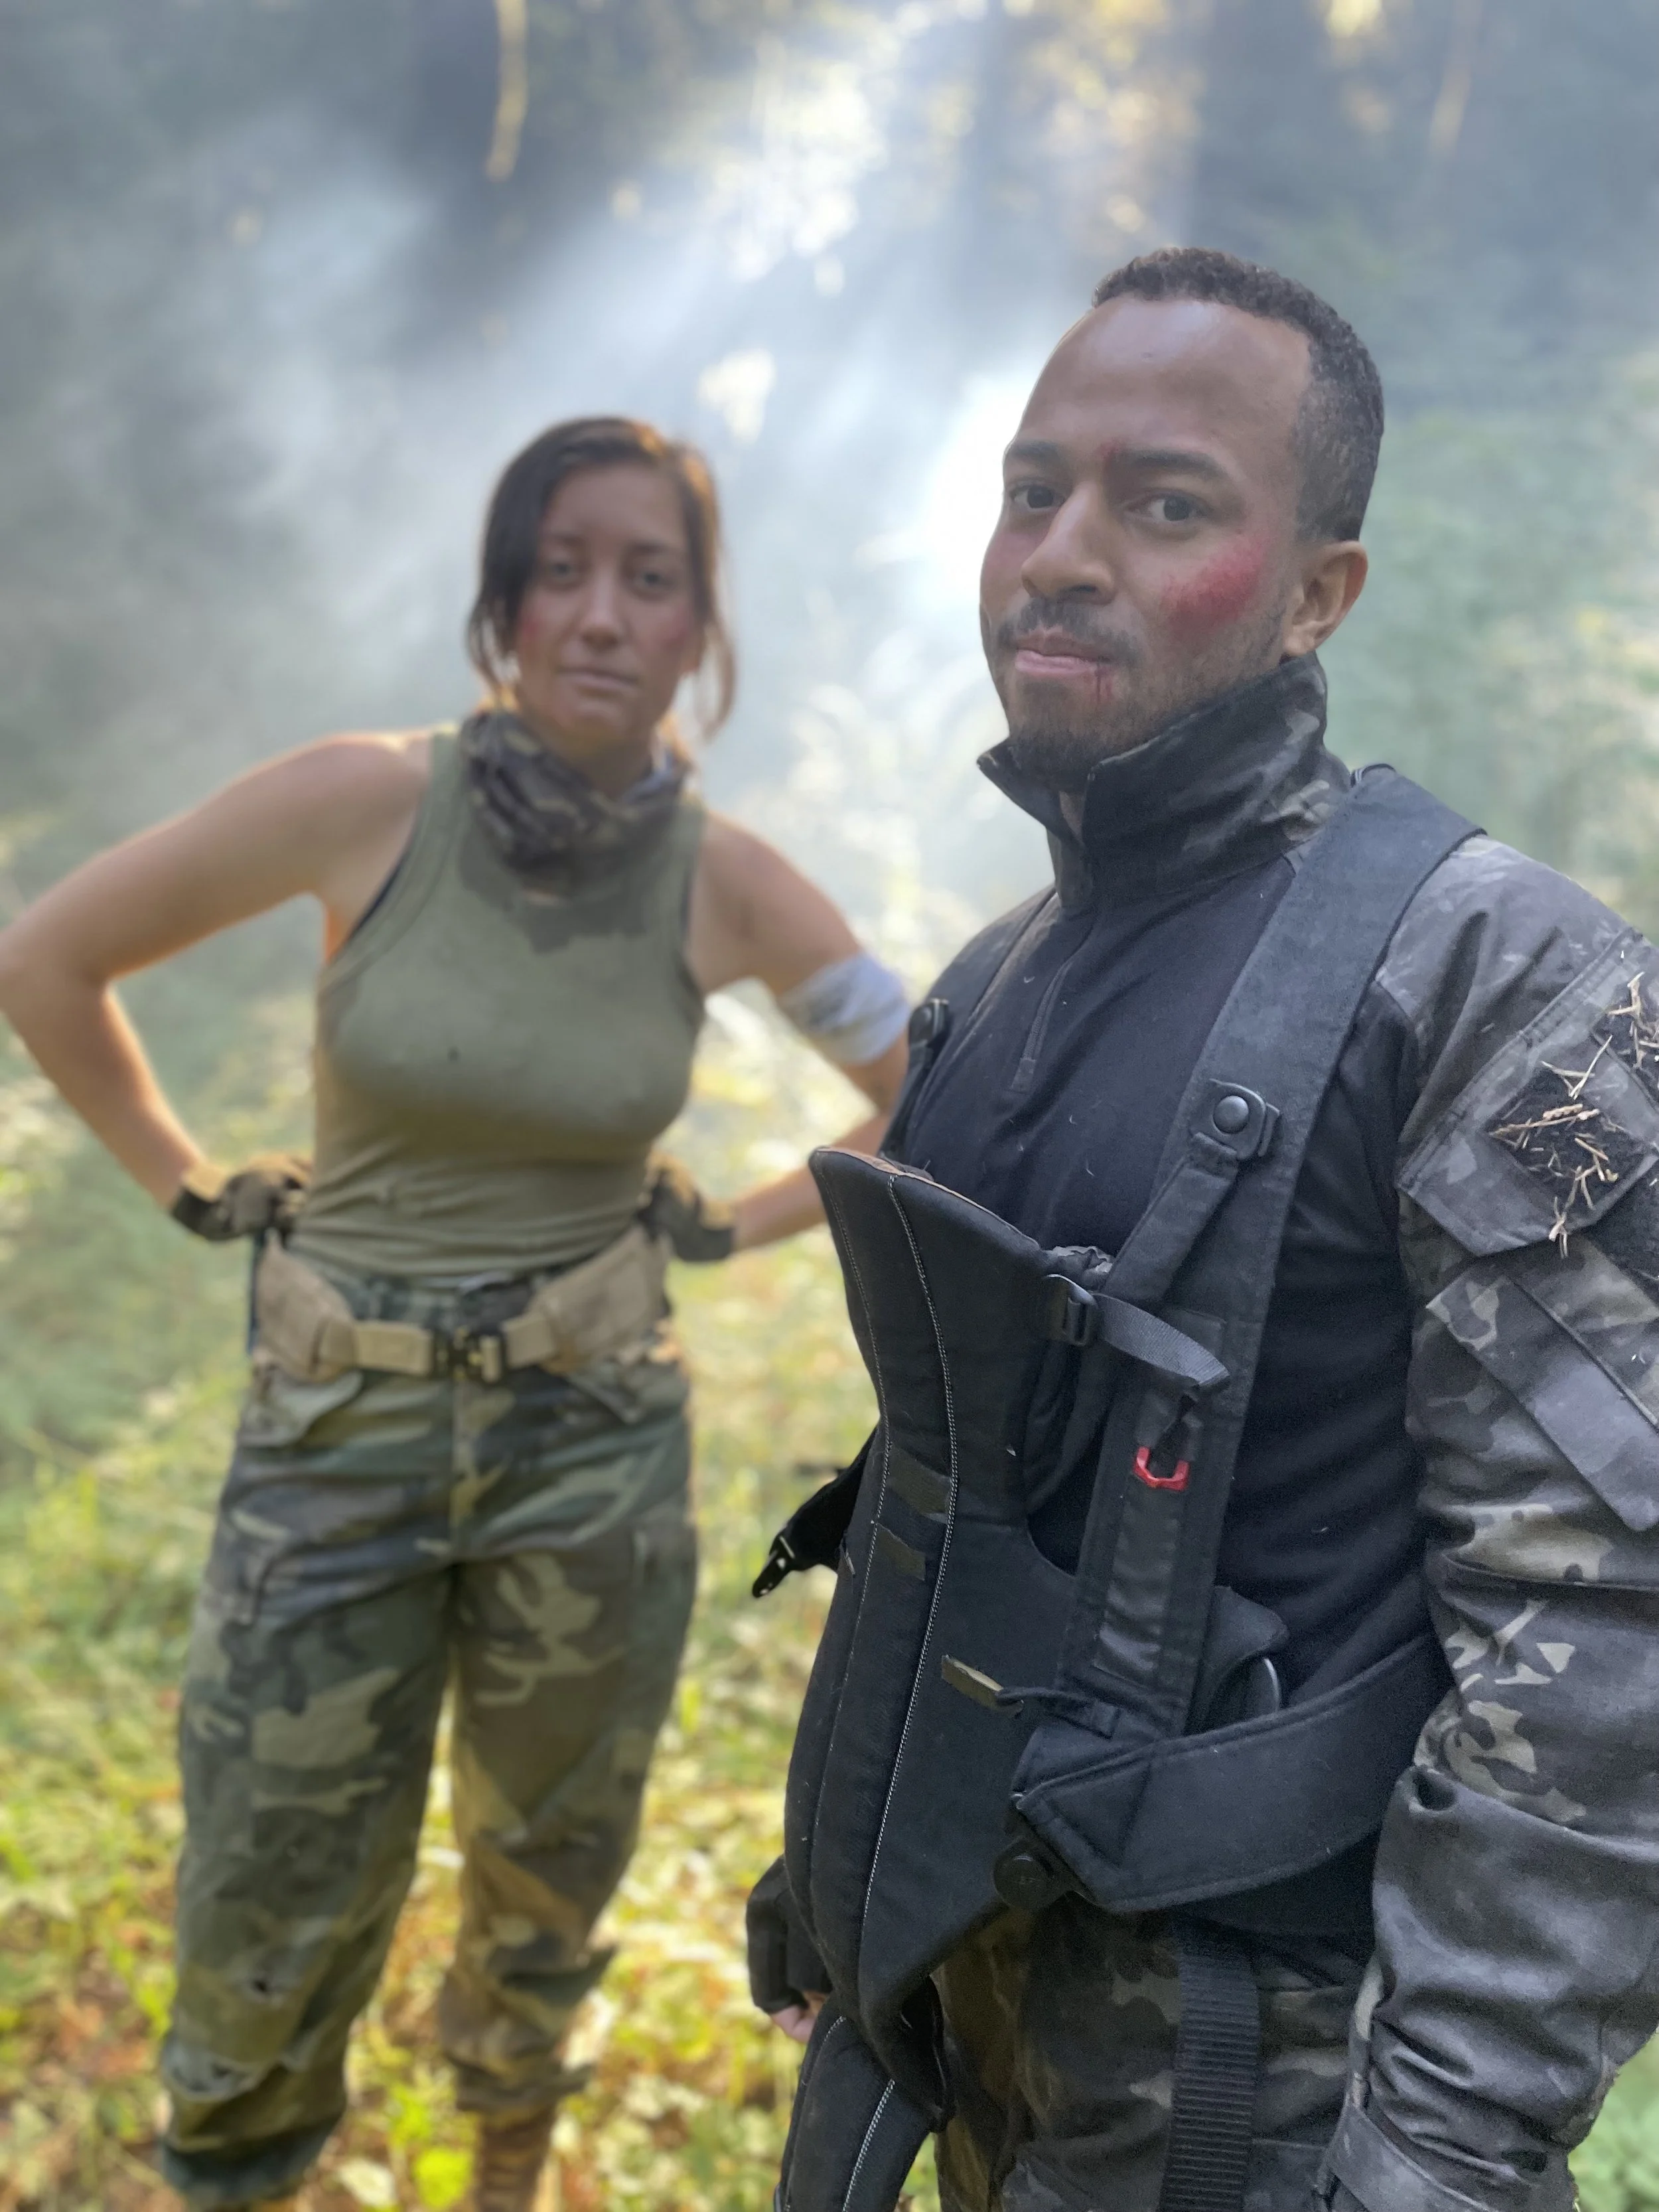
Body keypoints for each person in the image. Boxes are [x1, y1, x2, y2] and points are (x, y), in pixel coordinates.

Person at [747, 248, 1659, 2212]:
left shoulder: (1492, 977)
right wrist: (847, 1873)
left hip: (1267, 2092)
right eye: (1030, 491)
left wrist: (1442, 2154)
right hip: (979, 2026)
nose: (1061, 555)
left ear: (1319, 591)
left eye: (1165, 507)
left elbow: (1600, 1619)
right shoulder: (992, 979)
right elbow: (974, 1506)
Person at [0, 415, 911, 2212]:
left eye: (650, 577)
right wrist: (191, 1184)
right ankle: (236, 2177)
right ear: (503, 604)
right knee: (270, 1878)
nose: (603, 613)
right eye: (561, 569)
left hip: (593, 1451)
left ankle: (501, 2175)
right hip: (335, 1441)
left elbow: (925, 1082)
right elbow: (47, 958)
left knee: (548, 1873)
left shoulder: (723, 879)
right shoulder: (366, 800)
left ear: (699, 625)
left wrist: (733, 1223)